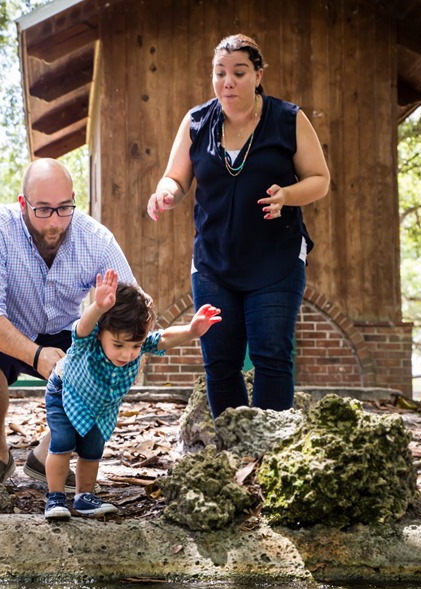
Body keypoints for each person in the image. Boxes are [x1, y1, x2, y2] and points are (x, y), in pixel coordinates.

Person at [146, 33, 330, 418]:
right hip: (214, 263)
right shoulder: (197, 122)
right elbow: (176, 178)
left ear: (258, 75)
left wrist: (287, 196)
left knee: (271, 354)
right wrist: (165, 191)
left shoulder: (288, 119)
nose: (227, 82)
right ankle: (233, 450)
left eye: (239, 72)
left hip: (275, 259)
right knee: (220, 360)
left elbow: (319, 179)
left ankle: (269, 451)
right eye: (220, 73)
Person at [0, 158, 136, 486]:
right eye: (44, 210)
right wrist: (37, 356)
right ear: (23, 204)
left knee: (119, 353)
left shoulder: (95, 238)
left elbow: (131, 303)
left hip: (63, 328)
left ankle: (44, 455)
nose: (55, 222)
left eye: (64, 208)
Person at [42, 269, 221, 520]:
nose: (127, 354)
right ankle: (55, 498)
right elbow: (83, 326)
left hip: (99, 407)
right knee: (62, 444)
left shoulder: (137, 343)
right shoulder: (89, 339)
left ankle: (84, 497)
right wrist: (98, 307)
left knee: (93, 450)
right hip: (65, 393)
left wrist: (192, 331)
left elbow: (162, 339)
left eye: (135, 346)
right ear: (102, 331)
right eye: (118, 345)